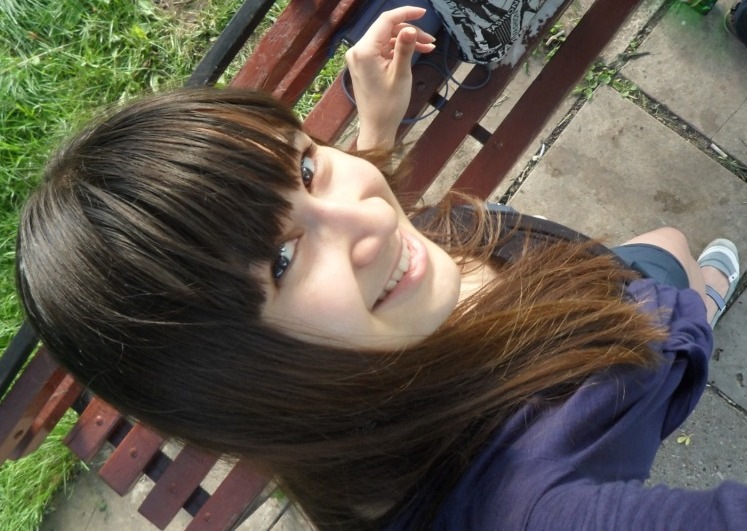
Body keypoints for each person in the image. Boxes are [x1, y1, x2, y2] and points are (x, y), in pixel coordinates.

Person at [14, 6, 746, 530]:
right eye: (282, 259)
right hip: (632, 357)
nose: (368, 214)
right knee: (676, 273)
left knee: (666, 246)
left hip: (588, 282)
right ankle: (694, 320)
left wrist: (376, 130)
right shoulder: (529, 501)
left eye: (306, 166)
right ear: (233, 380)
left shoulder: (352, 370)